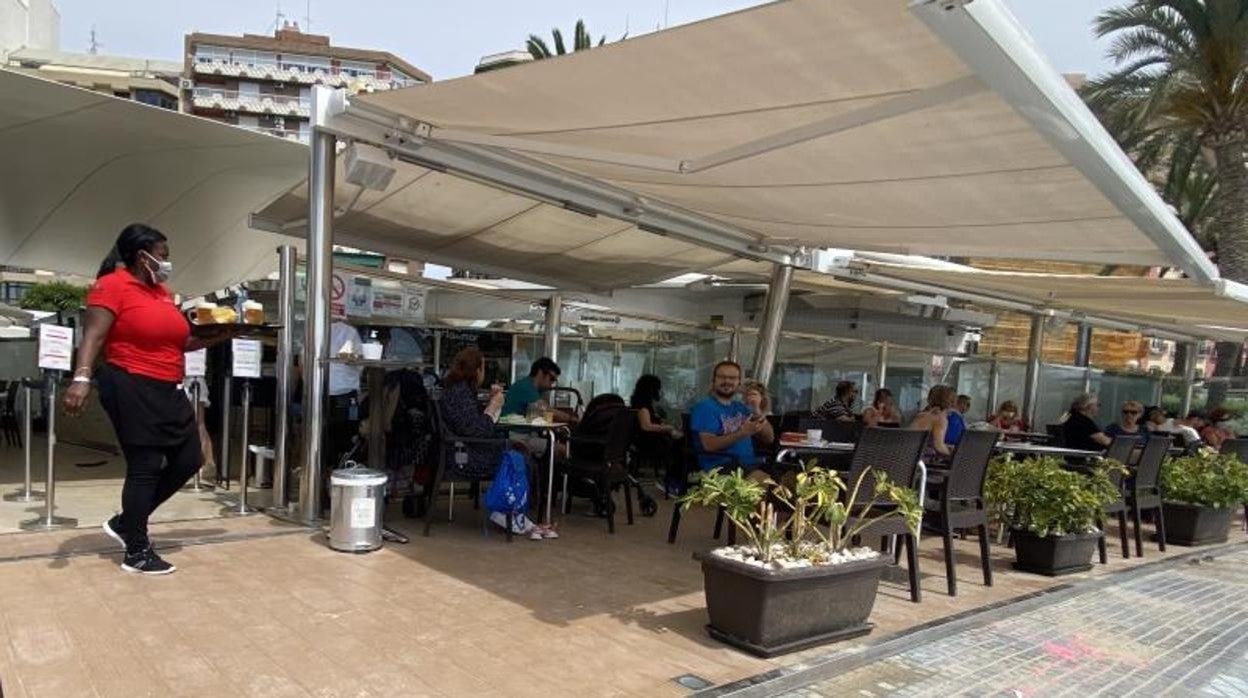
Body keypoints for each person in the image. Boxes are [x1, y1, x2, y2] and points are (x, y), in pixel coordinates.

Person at [64, 224, 243, 575]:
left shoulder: (161, 292)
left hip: (167, 386)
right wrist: (81, 378)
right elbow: (94, 336)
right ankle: (136, 550)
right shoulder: (111, 286)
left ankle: (125, 522)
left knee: (190, 457)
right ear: (141, 255)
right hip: (130, 382)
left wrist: (225, 333)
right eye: (162, 255)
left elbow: (180, 341)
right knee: (144, 466)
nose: (166, 262)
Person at [690, 361, 774, 474]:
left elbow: (769, 438)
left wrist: (757, 411)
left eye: (732, 378)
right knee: (768, 483)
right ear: (714, 380)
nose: (727, 381)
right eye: (722, 377)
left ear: (739, 382)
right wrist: (742, 433)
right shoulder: (705, 407)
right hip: (721, 469)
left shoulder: (741, 407)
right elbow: (709, 445)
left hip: (749, 466)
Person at [502, 357, 571, 421]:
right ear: (540, 373)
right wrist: (571, 419)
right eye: (551, 379)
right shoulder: (526, 387)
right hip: (513, 432)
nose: (552, 383)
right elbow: (546, 410)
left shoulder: (532, 388)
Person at [909, 385, 955, 459]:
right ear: (951, 402)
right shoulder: (940, 419)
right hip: (922, 460)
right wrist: (955, 457)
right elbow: (938, 446)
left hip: (908, 457)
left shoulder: (921, 415)